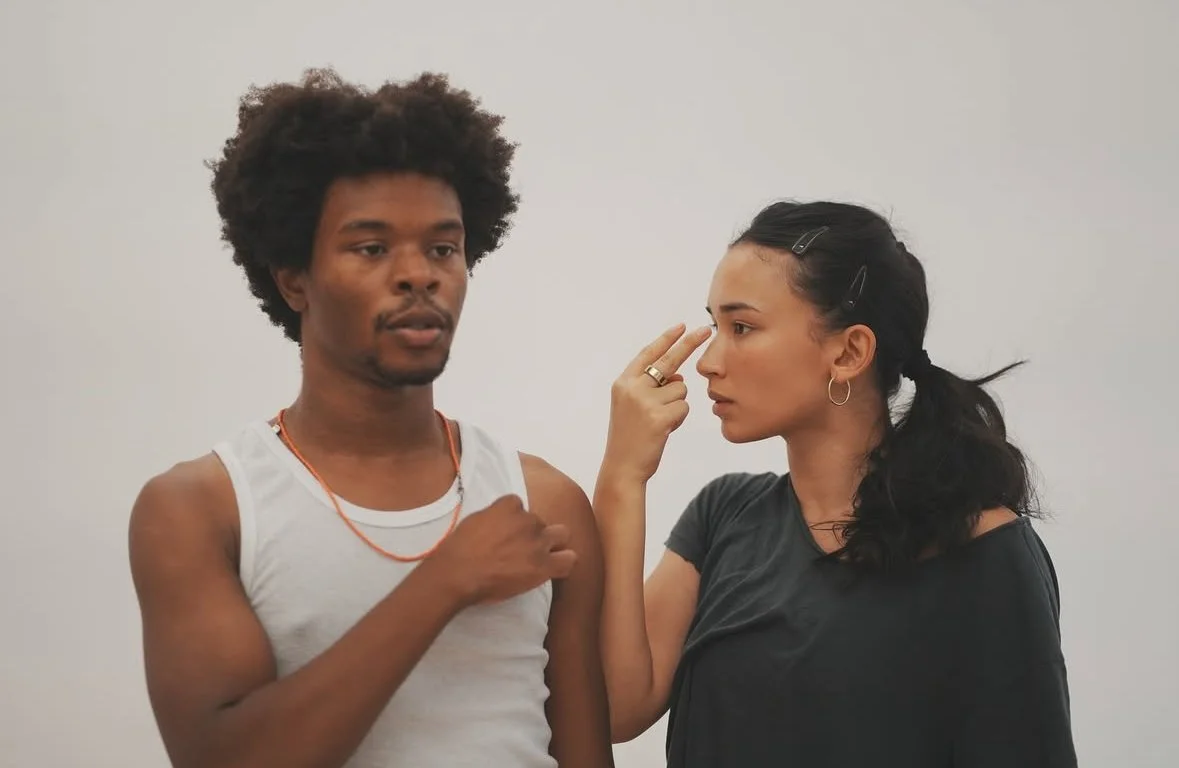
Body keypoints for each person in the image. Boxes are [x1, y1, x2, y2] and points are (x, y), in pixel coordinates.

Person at [128, 69, 614, 768]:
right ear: (293, 278)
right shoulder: (203, 509)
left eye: (443, 248)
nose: (419, 274)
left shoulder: (542, 502)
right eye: (372, 248)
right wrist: (444, 582)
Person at [592, 200, 1076, 766]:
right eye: (715, 325)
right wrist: (623, 477)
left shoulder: (983, 549)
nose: (708, 362)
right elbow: (614, 708)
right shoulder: (723, 515)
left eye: (742, 327)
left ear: (849, 352)